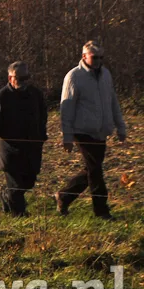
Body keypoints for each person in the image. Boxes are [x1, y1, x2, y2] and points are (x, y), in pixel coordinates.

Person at [56, 41, 128, 219]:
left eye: (101, 57)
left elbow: (112, 101)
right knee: (95, 170)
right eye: (95, 57)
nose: (98, 61)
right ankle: (101, 211)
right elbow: (66, 109)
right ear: (84, 57)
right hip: (83, 131)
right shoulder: (74, 77)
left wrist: (120, 126)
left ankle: (64, 196)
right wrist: (67, 135)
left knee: (91, 169)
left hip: (101, 131)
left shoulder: (105, 75)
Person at [0, 61, 48, 216]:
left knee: (29, 181)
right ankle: (18, 216)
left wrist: (41, 135)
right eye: (20, 78)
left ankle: (5, 196)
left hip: (31, 147)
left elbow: (43, 116)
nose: (24, 82)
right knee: (16, 184)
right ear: (10, 78)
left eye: (26, 77)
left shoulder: (35, 94)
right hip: (9, 149)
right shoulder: (0, 98)